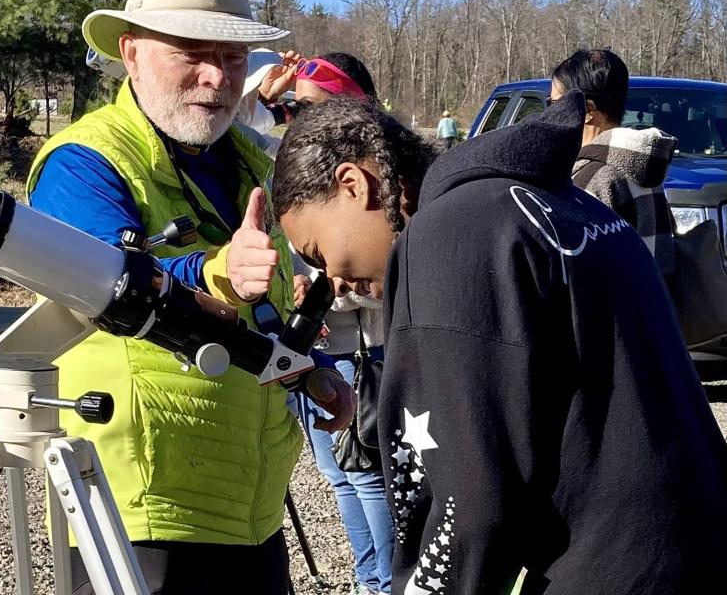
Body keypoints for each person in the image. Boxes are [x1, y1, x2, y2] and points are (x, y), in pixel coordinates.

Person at [271, 96, 727, 594]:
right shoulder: (558, 203)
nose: (331, 276)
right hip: (689, 541)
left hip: (610, 568)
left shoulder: (448, 235)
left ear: (353, 186)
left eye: (318, 250)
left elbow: (470, 499)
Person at [27, 0, 354, 595]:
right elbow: (106, 282)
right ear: (131, 53)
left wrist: (306, 366)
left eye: (231, 58)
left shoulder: (251, 160)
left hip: (250, 509)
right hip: (140, 516)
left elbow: (269, 309)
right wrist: (214, 274)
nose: (216, 77)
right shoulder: (81, 163)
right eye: (191, 54)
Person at [278, 52, 396, 595]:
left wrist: (325, 294)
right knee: (338, 476)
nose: (300, 119)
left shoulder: (378, 179)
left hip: (361, 351)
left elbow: (375, 282)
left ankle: (389, 582)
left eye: (311, 107)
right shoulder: (298, 165)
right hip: (313, 351)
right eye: (292, 108)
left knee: (369, 475)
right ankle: (366, 575)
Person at [549, 49, 676, 274]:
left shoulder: (593, 177)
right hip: (657, 304)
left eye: (554, 103)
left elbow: (580, 271)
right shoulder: (642, 165)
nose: (549, 113)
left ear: (588, 111)